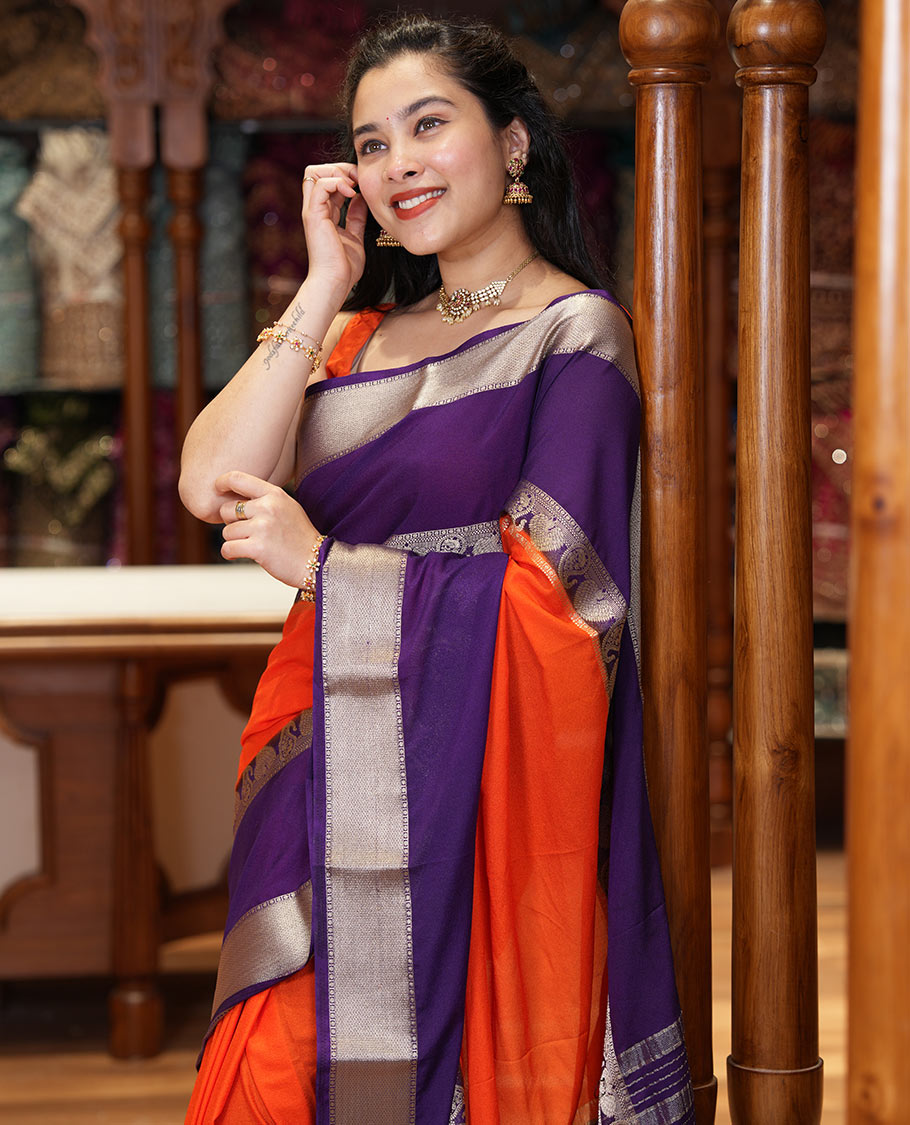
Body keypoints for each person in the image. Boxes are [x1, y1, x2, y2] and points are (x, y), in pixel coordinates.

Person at [180, 13, 693, 1124]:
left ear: (513, 145)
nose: (397, 163)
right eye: (371, 143)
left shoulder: (574, 337)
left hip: (474, 779)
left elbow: (562, 606)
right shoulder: (355, 333)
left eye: (427, 125)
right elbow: (211, 482)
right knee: (273, 1076)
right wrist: (323, 284)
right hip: (321, 755)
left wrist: (324, 567)